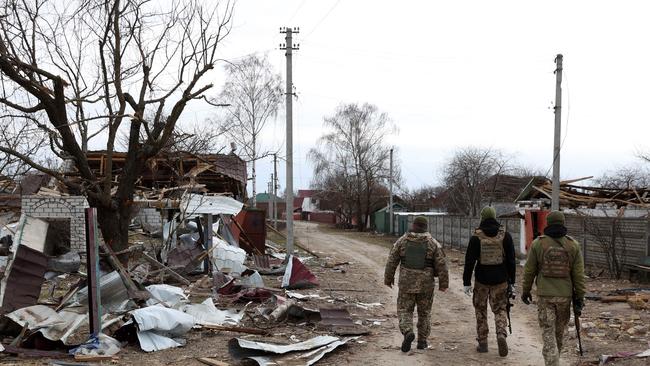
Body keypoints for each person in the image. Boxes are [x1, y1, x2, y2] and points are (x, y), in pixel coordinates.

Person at [521, 211, 586, 366]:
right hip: (565, 296)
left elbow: (529, 270)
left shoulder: (538, 243)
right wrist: (580, 297)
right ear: (563, 223)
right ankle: (554, 360)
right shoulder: (573, 245)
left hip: (545, 296)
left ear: (548, 224)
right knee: (558, 333)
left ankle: (552, 362)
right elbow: (578, 275)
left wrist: (526, 290)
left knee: (547, 331)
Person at [384, 216, 449, 352]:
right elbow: (442, 265)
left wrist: (388, 278)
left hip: (406, 284)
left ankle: (408, 332)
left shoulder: (402, 241)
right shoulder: (433, 243)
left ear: (413, 225)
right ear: (425, 227)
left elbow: (392, 260)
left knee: (404, 310)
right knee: (424, 313)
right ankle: (422, 342)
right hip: (426, 285)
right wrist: (443, 283)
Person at [462, 206, 516, 357]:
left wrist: (466, 282)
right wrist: (512, 281)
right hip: (501, 279)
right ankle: (501, 334)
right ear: (495, 217)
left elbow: (469, 261)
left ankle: (483, 342)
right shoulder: (506, 236)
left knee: (480, 310)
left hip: (481, 280)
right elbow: (512, 260)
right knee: (500, 309)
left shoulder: (476, 237)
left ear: (482, 217)